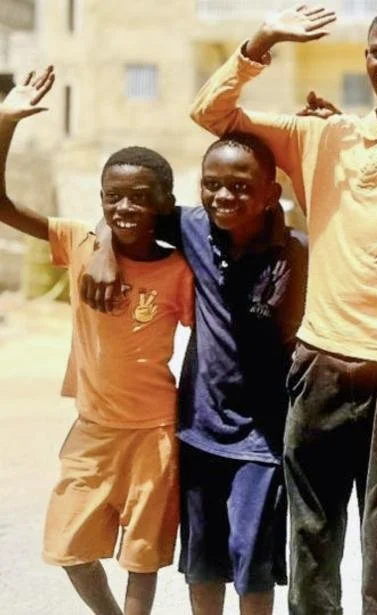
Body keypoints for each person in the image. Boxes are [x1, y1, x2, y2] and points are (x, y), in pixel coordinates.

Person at [188, 4, 377, 613]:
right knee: (310, 532)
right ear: (365, 58)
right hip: (318, 363)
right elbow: (212, 114)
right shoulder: (321, 137)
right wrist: (262, 41)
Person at [83, 133, 307, 615]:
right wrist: (102, 248)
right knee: (203, 561)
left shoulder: (294, 252)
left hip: (264, 436)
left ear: (271, 192)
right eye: (212, 184)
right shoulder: (191, 228)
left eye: (241, 186)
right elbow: (126, 212)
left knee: (253, 560)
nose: (224, 196)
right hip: (199, 428)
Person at [0, 67, 193, 615]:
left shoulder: (180, 270)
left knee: (141, 556)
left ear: (163, 202)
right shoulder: (79, 241)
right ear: (100, 200)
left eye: (139, 197)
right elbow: (2, 204)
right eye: (113, 198)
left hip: (154, 431)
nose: (125, 207)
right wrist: (6, 122)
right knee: (68, 547)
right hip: (92, 429)